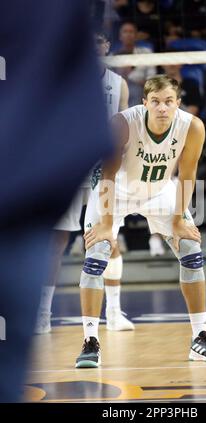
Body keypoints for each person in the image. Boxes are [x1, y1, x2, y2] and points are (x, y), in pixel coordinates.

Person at [0, 0, 113, 402]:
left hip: (40, 182)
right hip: (32, 184)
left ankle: (104, 321)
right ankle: (89, 328)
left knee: (82, 244)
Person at [75, 74, 206, 368]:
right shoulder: (123, 123)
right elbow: (107, 175)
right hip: (114, 189)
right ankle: (90, 342)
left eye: (169, 102)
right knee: (97, 254)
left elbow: (187, 175)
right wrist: (107, 226)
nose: (162, 108)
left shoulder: (192, 127)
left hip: (158, 191)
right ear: (144, 102)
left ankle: (200, 338)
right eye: (156, 102)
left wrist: (179, 219)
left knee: (191, 249)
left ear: (178, 103)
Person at [35, 33, 134, 335]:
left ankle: (114, 313)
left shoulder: (119, 83)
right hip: (69, 166)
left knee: (108, 238)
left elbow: (125, 128)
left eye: (99, 43)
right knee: (56, 241)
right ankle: (43, 313)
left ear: (106, 47)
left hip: (103, 169)